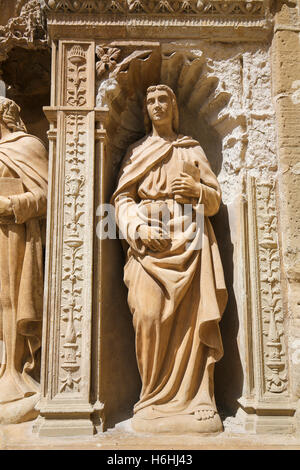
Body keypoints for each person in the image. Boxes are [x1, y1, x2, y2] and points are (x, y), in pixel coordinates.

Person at [111, 84, 228, 433]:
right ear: (145, 110)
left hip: (190, 242)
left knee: (193, 325)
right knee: (147, 316)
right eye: (150, 101)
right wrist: (138, 230)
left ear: (173, 107)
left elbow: (214, 201)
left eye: (163, 100)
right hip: (148, 247)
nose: (157, 105)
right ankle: (152, 397)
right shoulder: (135, 152)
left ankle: (198, 398)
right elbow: (120, 200)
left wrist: (197, 191)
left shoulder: (190, 149)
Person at [0, 97, 48, 423]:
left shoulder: (27, 145)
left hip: (14, 234)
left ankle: (14, 373)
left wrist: (11, 205)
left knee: (11, 300)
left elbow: (48, 195)